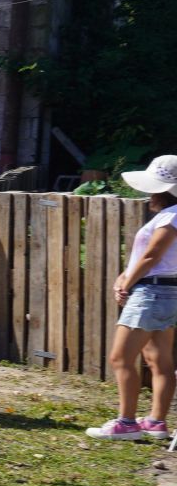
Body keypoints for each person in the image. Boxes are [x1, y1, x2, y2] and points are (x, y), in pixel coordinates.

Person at [86, 155, 177, 440]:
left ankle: (127, 424)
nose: (149, 194)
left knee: (120, 358)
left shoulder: (171, 216)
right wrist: (125, 277)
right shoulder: (170, 215)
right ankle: (155, 422)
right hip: (165, 290)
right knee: (158, 358)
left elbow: (152, 255)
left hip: (152, 292)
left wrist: (128, 282)